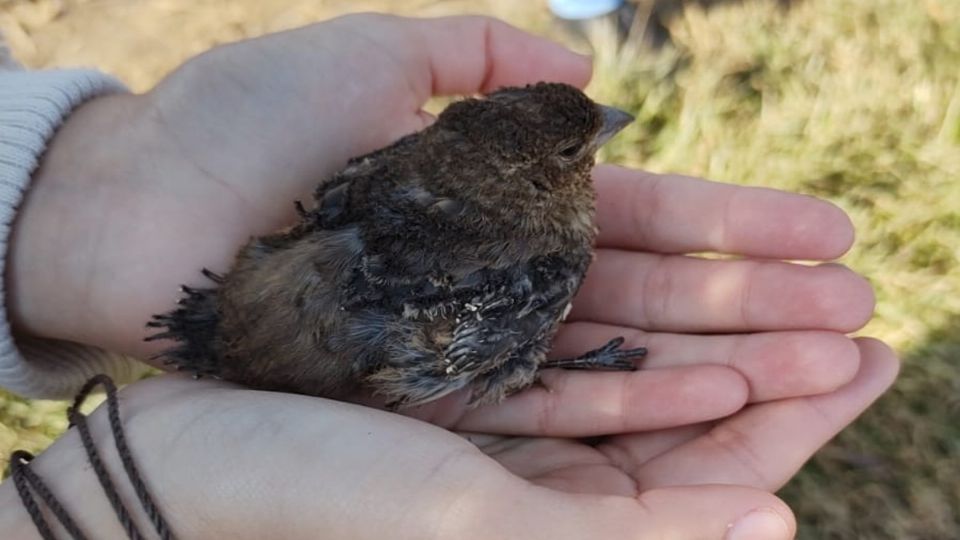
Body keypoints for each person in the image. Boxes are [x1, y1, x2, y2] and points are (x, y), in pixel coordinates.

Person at [0, 13, 897, 539]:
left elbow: (339, 210)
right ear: (554, 175)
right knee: (500, 344)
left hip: (285, 290)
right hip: (344, 335)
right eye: (586, 143)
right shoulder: (539, 250)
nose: (611, 125)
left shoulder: (404, 158)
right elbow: (457, 345)